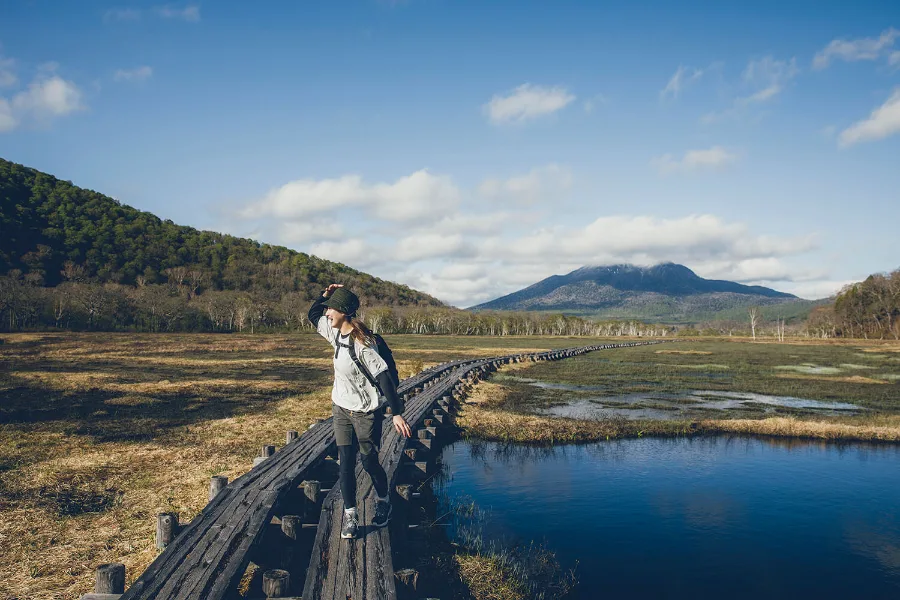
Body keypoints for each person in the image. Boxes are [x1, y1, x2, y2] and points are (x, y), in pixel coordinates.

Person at [308, 283, 411, 539]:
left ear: (344, 311)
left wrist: (396, 412)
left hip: (366, 412)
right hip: (341, 408)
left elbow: (385, 377)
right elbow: (312, 315)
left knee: (368, 462)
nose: (327, 312)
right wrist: (325, 295)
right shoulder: (335, 334)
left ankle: (383, 500)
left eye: (331, 308)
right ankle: (351, 516)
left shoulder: (363, 344)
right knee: (345, 463)